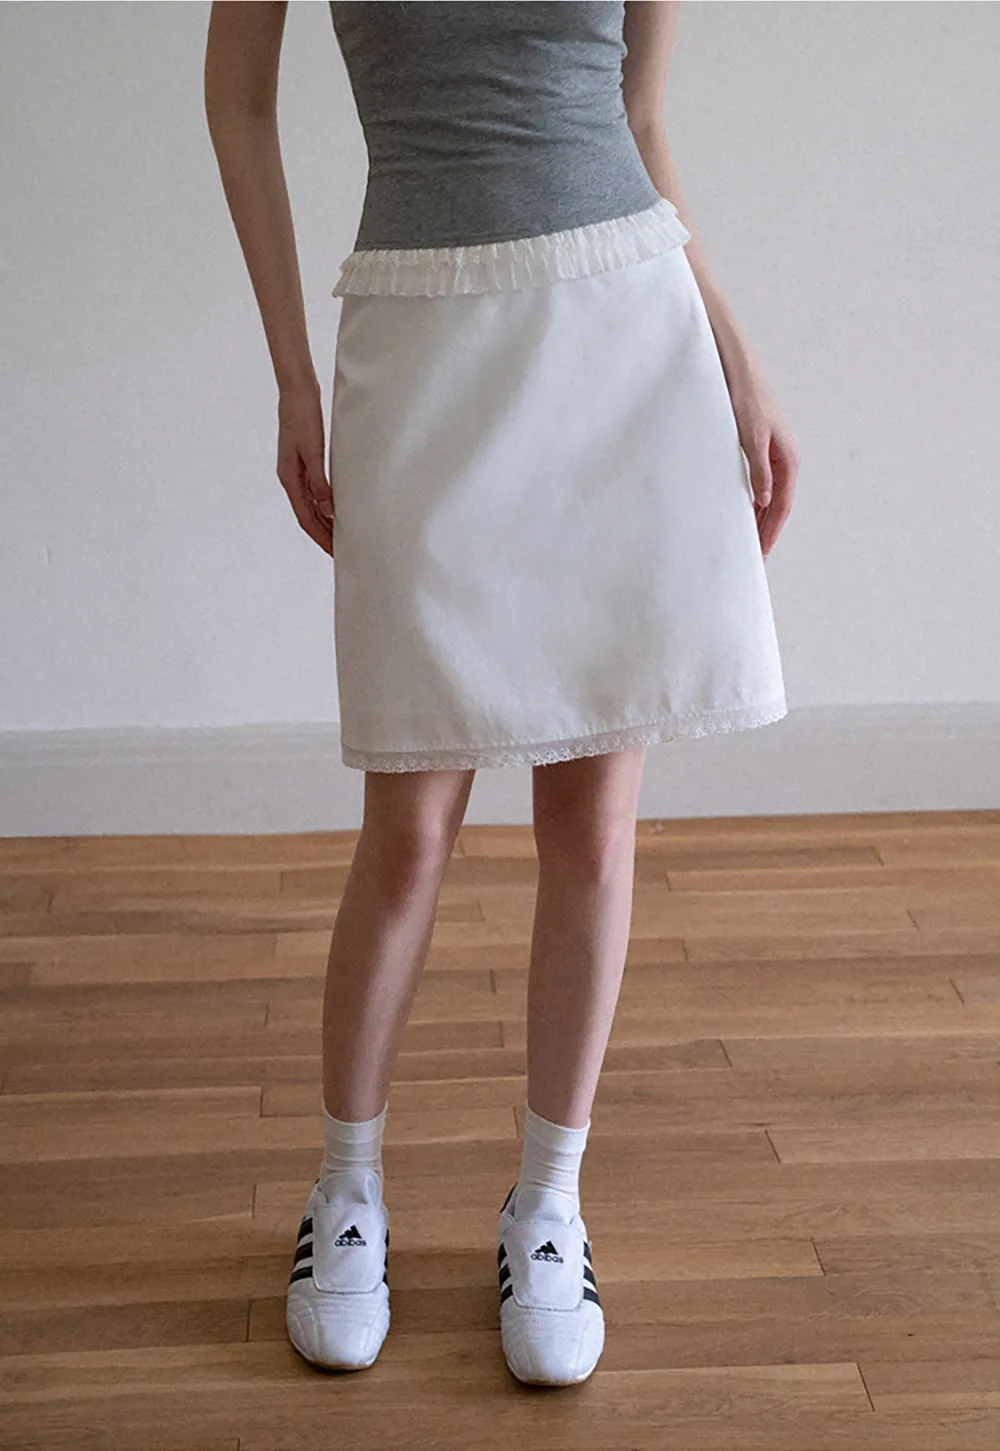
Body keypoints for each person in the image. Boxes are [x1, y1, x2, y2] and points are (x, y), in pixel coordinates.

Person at [204, 0, 798, 1388]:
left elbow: (639, 120)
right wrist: (291, 376)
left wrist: (733, 347)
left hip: (623, 337)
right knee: (409, 830)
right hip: (421, 340)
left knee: (592, 825)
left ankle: (549, 1204)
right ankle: (346, 1189)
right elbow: (238, 100)